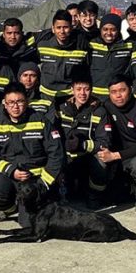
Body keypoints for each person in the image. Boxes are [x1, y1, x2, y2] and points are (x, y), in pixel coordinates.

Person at [0, 84, 65, 225]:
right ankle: (10, 208)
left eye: (20, 101)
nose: (15, 106)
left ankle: (29, 206)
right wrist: (11, 171)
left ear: (26, 102)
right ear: (5, 104)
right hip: (10, 175)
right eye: (11, 102)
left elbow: (56, 154)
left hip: (35, 179)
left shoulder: (41, 121)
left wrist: (42, 183)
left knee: (27, 224)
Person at [89, 75, 136, 209]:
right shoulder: (105, 105)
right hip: (112, 153)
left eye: (122, 90)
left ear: (131, 89)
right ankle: (95, 195)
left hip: (134, 155)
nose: (118, 95)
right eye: (113, 92)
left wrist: (115, 155)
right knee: (98, 159)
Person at [55, 72, 101, 201]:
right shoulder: (59, 107)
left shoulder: (99, 110)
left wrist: (82, 145)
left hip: (86, 157)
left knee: (102, 160)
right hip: (64, 157)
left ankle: (95, 195)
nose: (83, 93)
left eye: (87, 89)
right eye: (79, 89)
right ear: (72, 90)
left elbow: (105, 141)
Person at [34, 10, 89, 105]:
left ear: (71, 28)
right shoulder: (42, 46)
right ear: (53, 29)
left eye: (65, 27)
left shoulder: (81, 49)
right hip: (45, 97)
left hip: (70, 98)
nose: (62, 31)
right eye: (58, 28)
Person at [88, 13, 132, 99]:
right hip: (95, 96)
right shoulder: (91, 45)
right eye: (105, 29)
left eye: (113, 30)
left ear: (118, 30)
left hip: (117, 97)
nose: (109, 33)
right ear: (100, 29)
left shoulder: (128, 47)